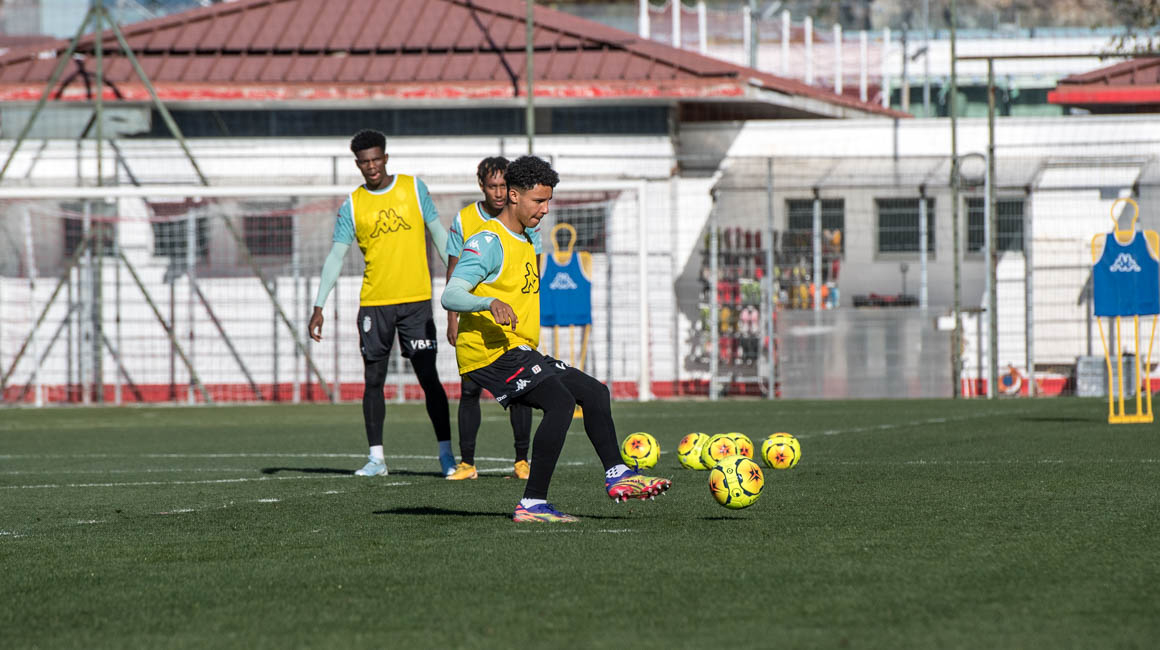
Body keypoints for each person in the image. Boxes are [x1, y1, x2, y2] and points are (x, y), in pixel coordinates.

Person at [441, 155, 671, 523]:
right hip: (488, 352)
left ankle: (618, 474)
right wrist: (489, 302)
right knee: (561, 403)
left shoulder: (526, 237)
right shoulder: (488, 241)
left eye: (549, 201)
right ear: (513, 196)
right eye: (538, 201)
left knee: (595, 393)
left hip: (517, 348)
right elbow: (451, 294)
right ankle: (532, 504)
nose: (545, 209)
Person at [309, 129, 456, 477]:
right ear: (357, 164)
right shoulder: (353, 204)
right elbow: (336, 256)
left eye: (377, 159)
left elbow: (439, 235)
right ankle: (376, 459)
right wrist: (319, 306)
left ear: (386, 158)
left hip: (416, 303)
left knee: (428, 378)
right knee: (373, 380)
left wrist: (460, 282)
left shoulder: (413, 188)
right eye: (365, 162)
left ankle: (447, 456)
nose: (372, 166)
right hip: (375, 304)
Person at [444, 157, 537, 481]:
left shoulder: (526, 221)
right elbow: (454, 272)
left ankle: (522, 460)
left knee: (522, 391)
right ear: (481, 186)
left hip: (514, 326)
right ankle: (467, 463)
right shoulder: (465, 219)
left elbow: (532, 272)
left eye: (503, 186)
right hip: (477, 327)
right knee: (469, 390)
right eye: (492, 186)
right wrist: (452, 319)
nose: (498, 192)